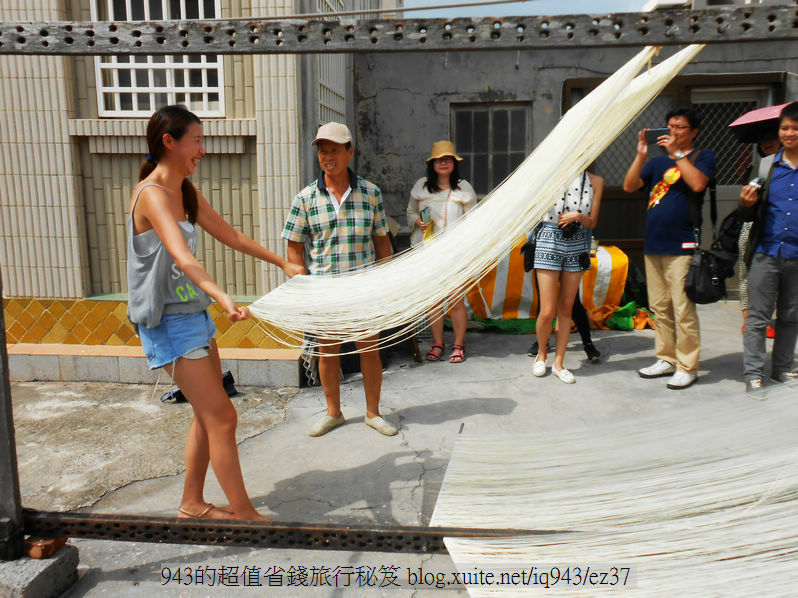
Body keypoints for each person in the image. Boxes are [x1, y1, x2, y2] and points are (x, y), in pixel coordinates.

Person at [127, 105, 303, 521]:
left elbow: (231, 235)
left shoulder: (185, 189)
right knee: (223, 417)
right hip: (168, 323)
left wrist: (282, 263)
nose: (202, 150)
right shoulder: (151, 195)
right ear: (169, 142)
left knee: (209, 417)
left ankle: (192, 503)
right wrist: (221, 295)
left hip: (193, 316)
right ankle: (245, 514)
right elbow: (183, 257)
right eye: (197, 141)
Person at [283, 122, 396, 437]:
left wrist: (386, 283)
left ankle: (373, 413)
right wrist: (303, 286)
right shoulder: (305, 198)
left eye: (334, 149)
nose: (327, 156)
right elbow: (293, 248)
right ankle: (334, 413)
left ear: (349, 152)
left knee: (369, 350)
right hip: (324, 290)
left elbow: (382, 242)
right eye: (322, 150)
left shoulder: (370, 193)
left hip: (363, 288)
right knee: (327, 351)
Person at [623, 107, 716, 390]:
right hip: (654, 245)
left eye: (680, 127)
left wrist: (678, 154)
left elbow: (698, 184)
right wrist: (640, 156)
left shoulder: (704, 156)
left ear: (694, 132)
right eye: (670, 126)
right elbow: (629, 186)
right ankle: (666, 359)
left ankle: (688, 366)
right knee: (659, 308)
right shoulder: (656, 164)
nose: (673, 131)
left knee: (682, 309)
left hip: (683, 245)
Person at [739, 101, 798, 394]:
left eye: (794, 128)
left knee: (790, 316)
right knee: (758, 318)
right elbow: (749, 215)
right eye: (784, 128)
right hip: (766, 252)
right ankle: (753, 372)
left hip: (796, 256)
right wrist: (746, 204)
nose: (789, 133)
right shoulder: (764, 166)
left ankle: (783, 368)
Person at [407, 141, 477, 363]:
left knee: (456, 300)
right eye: (439, 159)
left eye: (448, 159)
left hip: (455, 252)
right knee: (434, 301)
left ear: (455, 164)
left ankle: (458, 344)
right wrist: (417, 221)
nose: (444, 162)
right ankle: (438, 343)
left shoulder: (464, 188)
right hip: (427, 251)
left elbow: (472, 220)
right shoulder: (422, 185)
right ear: (432, 163)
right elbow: (409, 212)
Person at [532, 170, 604, 383]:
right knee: (547, 310)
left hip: (577, 239)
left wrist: (579, 216)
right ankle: (542, 355)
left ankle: (559, 364)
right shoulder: (550, 173)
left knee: (566, 308)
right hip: (548, 235)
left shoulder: (596, 181)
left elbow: (592, 222)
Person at [738, 129, 781, 337]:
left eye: (773, 136)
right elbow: (746, 209)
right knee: (747, 273)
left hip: (784, 232)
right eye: (763, 139)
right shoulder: (761, 166)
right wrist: (747, 201)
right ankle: (750, 320)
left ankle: (778, 318)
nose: (767, 142)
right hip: (755, 226)